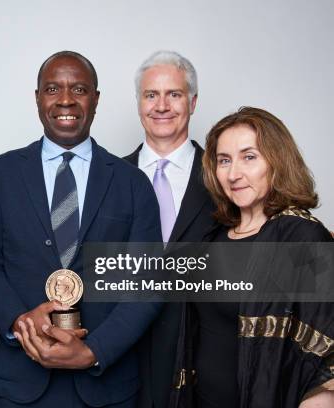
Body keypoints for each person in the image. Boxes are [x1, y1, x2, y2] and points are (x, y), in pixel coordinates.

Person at [0, 50, 162, 407]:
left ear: (96, 99)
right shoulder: (2, 174)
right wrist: (20, 323)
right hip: (20, 386)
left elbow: (147, 285)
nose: (65, 100)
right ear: (37, 98)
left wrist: (93, 351)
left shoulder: (132, 184)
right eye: (52, 89)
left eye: (78, 89)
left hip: (106, 386)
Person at [170, 106, 334, 408]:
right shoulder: (213, 236)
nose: (234, 174)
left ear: (276, 161)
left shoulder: (302, 238)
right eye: (224, 160)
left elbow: (328, 357)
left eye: (249, 157)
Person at [123, 50, 215, 408]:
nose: (162, 105)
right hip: (124, 362)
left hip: (201, 361)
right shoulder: (109, 178)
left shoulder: (225, 179)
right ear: (139, 103)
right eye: (151, 95)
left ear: (192, 102)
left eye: (173, 94)